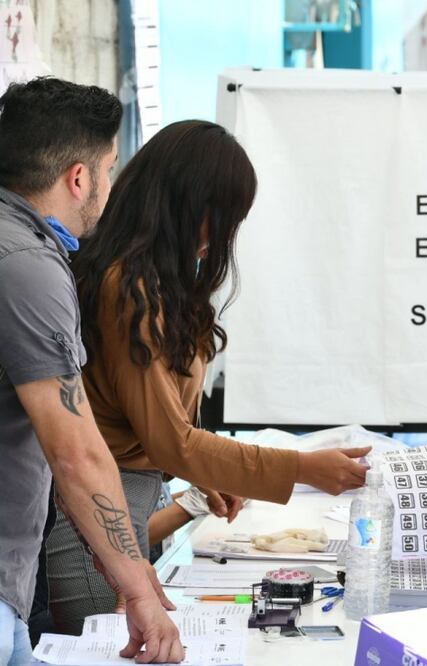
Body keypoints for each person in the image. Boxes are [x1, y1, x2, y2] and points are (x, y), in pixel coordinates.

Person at [45, 120, 371, 633]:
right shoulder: (127, 288)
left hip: (122, 509)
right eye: (224, 218)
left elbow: (166, 429)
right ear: (189, 205)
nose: (221, 238)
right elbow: (173, 440)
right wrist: (304, 469)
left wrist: (211, 473)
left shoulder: (151, 281)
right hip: (93, 521)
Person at [0, 77, 183, 662]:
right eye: (109, 168)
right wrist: (137, 589)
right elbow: (75, 451)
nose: (111, 184)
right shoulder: (26, 263)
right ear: (80, 178)